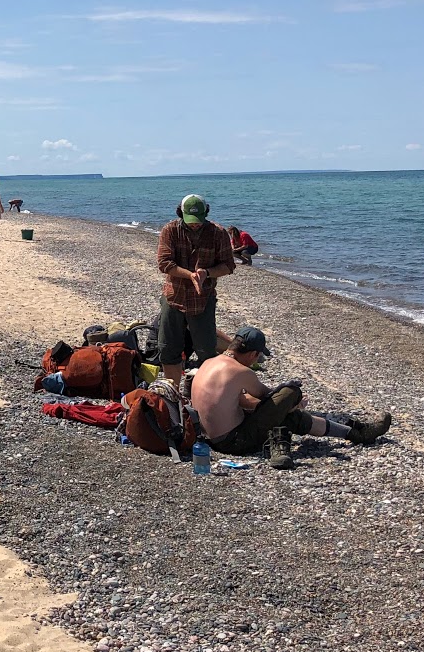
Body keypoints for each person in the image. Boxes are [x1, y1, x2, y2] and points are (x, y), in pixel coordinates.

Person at [191, 327, 393, 470]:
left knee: (290, 416)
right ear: (252, 354)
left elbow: (245, 402)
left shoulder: (210, 362)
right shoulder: (241, 371)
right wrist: (292, 402)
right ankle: (359, 433)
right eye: (257, 357)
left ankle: (357, 434)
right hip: (233, 442)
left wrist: (285, 409)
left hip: (207, 440)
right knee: (290, 391)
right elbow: (270, 399)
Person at [155, 194, 236, 384]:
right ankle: (173, 392)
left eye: (198, 221)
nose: (195, 225)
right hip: (174, 297)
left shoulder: (218, 233)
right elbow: (164, 263)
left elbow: (228, 265)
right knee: (168, 349)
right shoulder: (170, 230)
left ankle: (204, 392)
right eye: (190, 221)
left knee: (206, 351)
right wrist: (189, 275)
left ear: (206, 213)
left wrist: (206, 273)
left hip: (203, 299)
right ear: (180, 213)